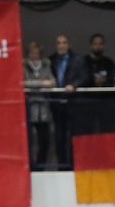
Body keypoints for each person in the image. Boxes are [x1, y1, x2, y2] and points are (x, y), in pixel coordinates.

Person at [23, 40, 56, 170]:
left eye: (37, 53)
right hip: (29, 108)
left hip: (44, 109)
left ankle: (40, 165)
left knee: (45, 140)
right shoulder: (23, 67)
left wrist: (45, 84)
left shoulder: (46, 66)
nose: (35, 56)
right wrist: (41, 83)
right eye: (32, 53)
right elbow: (22, 83)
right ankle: (30, 165)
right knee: (29, 140)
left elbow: (53, 82)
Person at [48, 34, 77, 169]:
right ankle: (62, 165)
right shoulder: (51, 60)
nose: (61, 45)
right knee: (59, 136)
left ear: (68, 44)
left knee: (72, 135)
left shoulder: (77, 59)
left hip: (72, 102)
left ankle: (73, 164)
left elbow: (84, 76)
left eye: (64, 42)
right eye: (59, 43)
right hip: (56, 102)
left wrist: (74, 85)